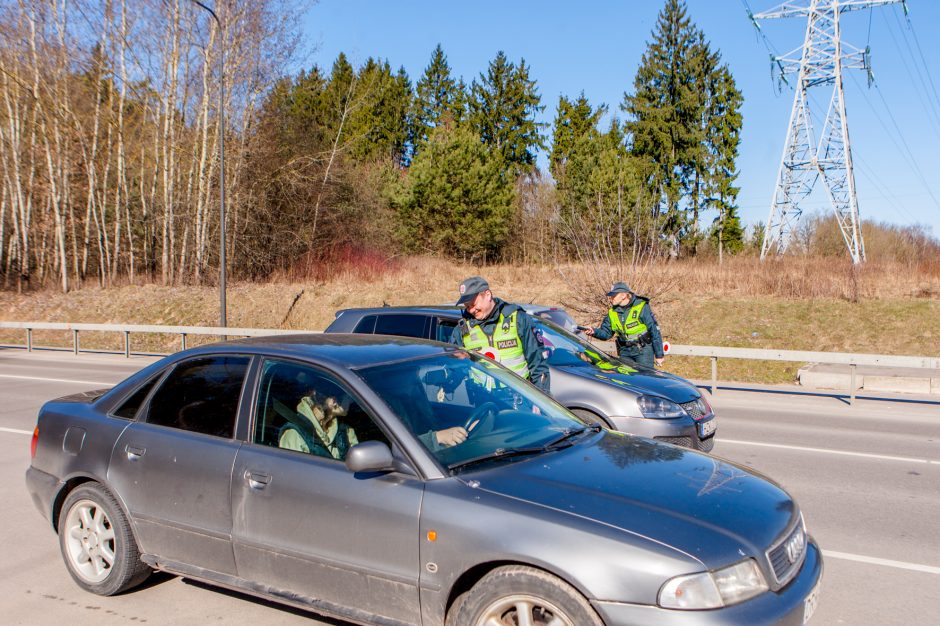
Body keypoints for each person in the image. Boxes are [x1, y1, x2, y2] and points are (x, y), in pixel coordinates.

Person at [449, 276, 550, 393]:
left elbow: (538, 365)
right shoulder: (462, 330)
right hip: (482, 400)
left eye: (473, 304)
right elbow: (455, 369)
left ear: (487, 295)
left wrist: (541, 400)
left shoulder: (518, 319)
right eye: (467, 307)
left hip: (519, 399)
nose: (471, 310)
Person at [584, 281, 665, 369]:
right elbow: (606, 334)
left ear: (623, 295)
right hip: (624, 351)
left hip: (643, 350)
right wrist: (594, 331)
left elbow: (654, 330)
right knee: (626, 380)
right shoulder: (612, 312)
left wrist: (659, 354)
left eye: (614, 295)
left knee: (644, 379)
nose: (610, 298)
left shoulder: (641, 306)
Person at [279, 389, 359, 460]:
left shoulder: (345, 431)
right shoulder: (294, 433)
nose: (351, 401)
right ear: (334, 401)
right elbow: (293, 473)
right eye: (348, 397)